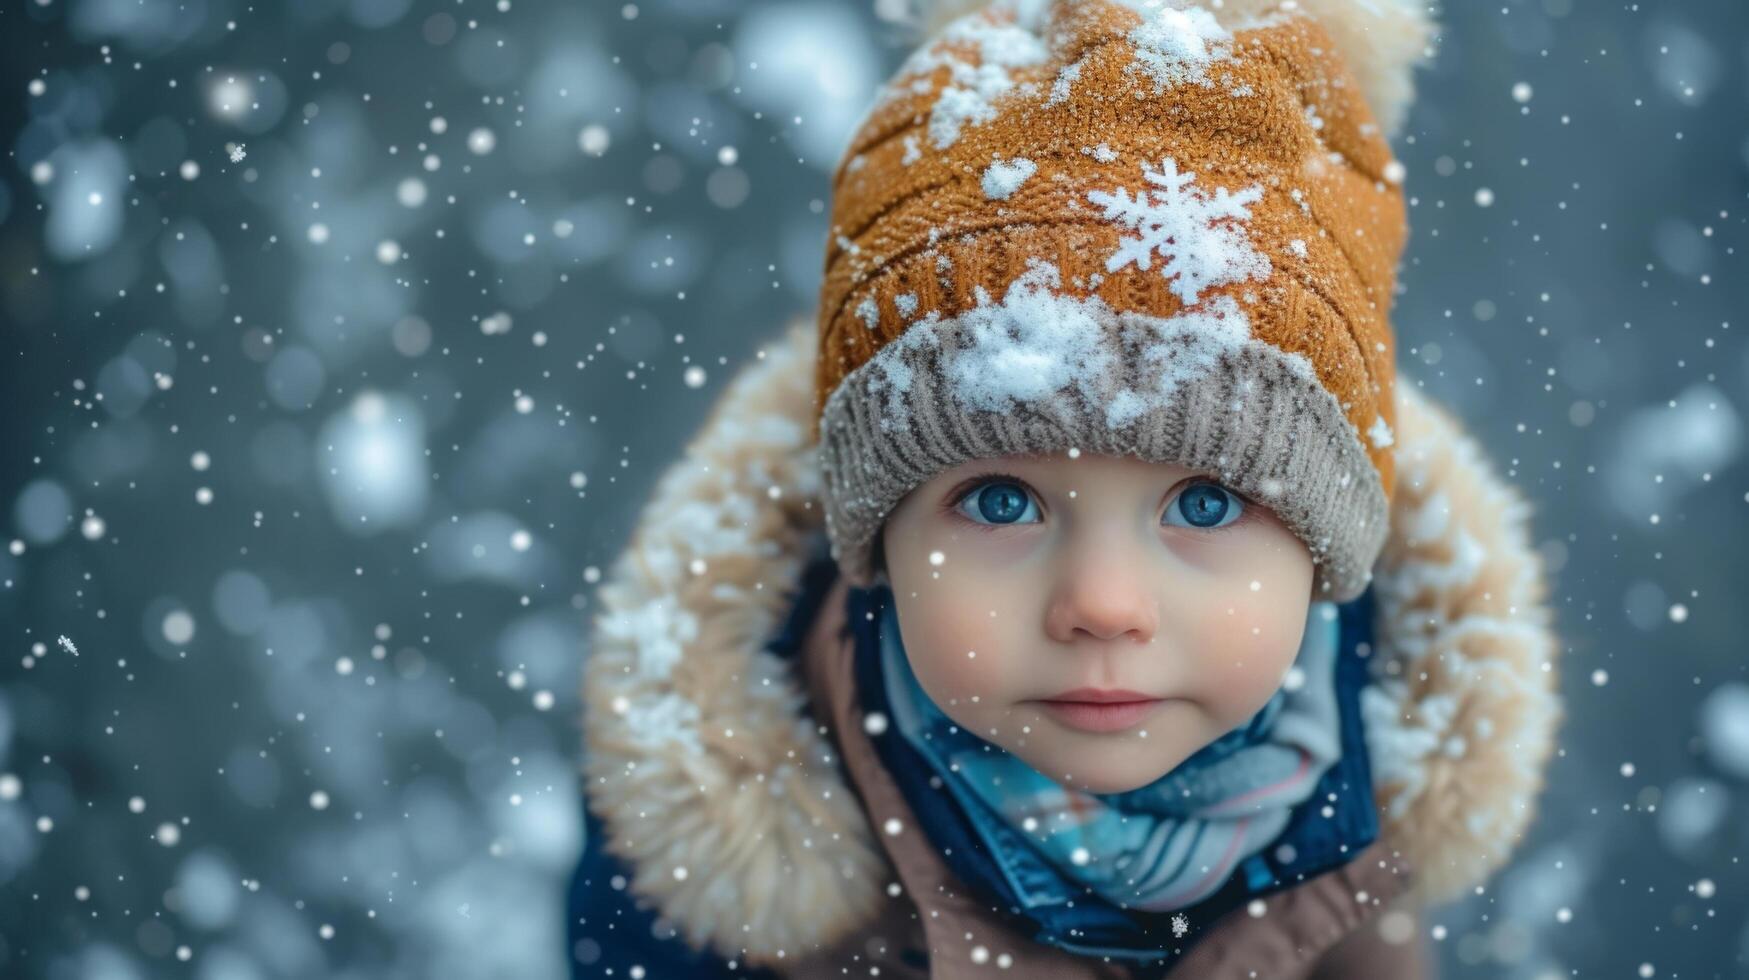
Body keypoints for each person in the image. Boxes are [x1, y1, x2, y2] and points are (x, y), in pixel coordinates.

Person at [570, 1, 1566, 976]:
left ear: (1325, 552)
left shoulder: (1364, 774)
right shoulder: (736, 863)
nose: (1102, 603)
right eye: (1002, 500)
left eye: (1206, 503)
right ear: (875, 538)